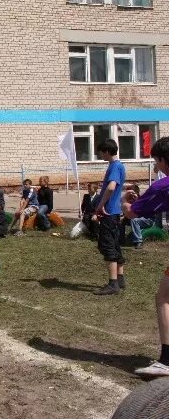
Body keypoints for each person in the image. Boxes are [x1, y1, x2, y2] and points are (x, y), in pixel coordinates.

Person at [124, 137, 169, 376]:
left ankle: (167, 360)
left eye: (156, 161)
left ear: (162, 160)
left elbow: (131, 214)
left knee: (164, 298)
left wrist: (124, 199)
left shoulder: (163, 186)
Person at [93, 138, 127, 296]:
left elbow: (111, 187)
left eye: (100, 152)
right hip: (114, 212)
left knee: (107, 245)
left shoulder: (115, 166)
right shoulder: (119, 166)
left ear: (106, 151)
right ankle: (120, 279)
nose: (100, 155)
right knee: (114, 244)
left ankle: (113, 283)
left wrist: (100, 206)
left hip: (109, 212)